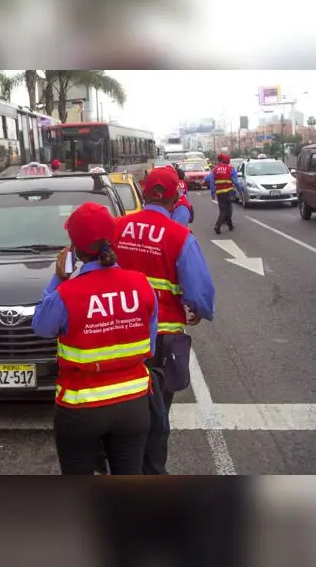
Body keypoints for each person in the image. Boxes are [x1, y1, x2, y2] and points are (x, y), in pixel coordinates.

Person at [32, 203, 158, 475]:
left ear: (74, 248)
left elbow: (41, 326)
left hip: (81, 407)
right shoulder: (142, 284)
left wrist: (57, 278)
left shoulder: (67, 293)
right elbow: (151, 344)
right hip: (133, 404)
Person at [113, 166, 216, 474]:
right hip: (161, 339)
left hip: (117, 333)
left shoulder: (117, 227)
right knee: (157, 413)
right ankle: (152, 470)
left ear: (143, 193)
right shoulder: (179, 236)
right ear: (175, 199)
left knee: (122, 407)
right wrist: (200, 309)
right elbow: (199, 292)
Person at [206, 153, 242, 234]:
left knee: (224, 210)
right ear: (228, 161)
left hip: (220, 193)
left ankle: (230, 225)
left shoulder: (215, 169)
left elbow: (211, 181)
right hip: (228, 192)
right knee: (226, 210)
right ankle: (217, 226)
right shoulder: (230, 169)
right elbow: (235, 181)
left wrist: (212, 192)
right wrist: (240, 190)